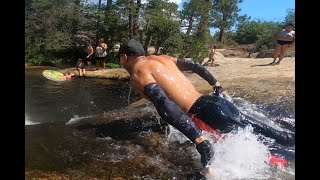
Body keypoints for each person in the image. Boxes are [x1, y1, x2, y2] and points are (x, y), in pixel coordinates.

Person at [118, 39, 295, 174]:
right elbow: (194, 65)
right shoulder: (162, 58)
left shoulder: (137, 73)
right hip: (216, 103)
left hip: (204, 114)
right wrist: (216, 84)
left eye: (120, 60)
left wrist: (199, 140)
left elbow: (164, 105)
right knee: (261, 130)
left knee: (263, 152)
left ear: (125, 58)